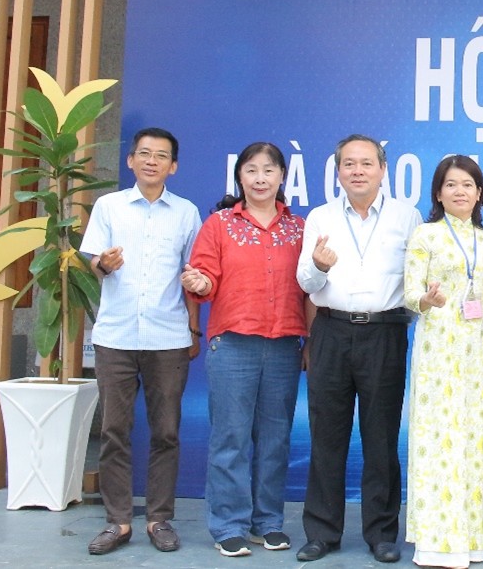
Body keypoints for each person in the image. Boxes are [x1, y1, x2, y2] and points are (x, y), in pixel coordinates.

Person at [293, 135, 421, 565]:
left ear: (383, 170)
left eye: (367, 163)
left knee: (381, 438)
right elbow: (306, 282)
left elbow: (418, 279)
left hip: (385, 333)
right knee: (326, 436)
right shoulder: (321, 217)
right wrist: (319, 266)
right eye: (349, 164)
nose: (358, 171)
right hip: (331, 330)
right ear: (338, 171)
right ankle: (322, 533)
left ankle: (382, 534)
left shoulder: (407, 217)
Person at [181, 142, 307, 559]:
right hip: (233, 344)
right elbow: (204, 276)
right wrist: (200, 283)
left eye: (268, 170)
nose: (260, 178)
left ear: (282, 176)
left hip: (285, 345)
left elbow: (311, 287)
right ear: (239, 177)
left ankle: (267, 522)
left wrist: (310, 340)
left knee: (275, 439)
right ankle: (228, 524)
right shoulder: (219, 224)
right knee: (231, 438)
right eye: (251, 170)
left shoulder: (299, 228)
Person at [81, 128, 202, 556]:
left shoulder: (186, 213)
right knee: (114, 430)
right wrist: (104, 264)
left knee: (166, 431)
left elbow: (192, 276)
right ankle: (117, 521)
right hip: (116, 336)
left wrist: (193, 329)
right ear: (130, 160)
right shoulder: (109, 206)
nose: (152, 161)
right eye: (145, 154)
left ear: (174, 166)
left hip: (168, 337)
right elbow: (94, 262)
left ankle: (158, 518)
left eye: (161, 155)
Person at [402, 155, 483, 568]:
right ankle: (435, 543)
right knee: (437, 440)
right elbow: (410, 292)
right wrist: (426, 300)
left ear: (479, 193)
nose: (459, 191)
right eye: (450, 185)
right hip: (437, 351)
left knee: (474, 440)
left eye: (467, 184)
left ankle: (471, 538)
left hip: (477, 355)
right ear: (438, 193)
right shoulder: (425, 235)